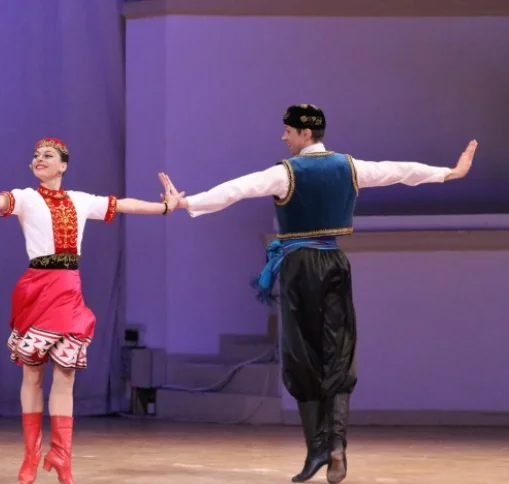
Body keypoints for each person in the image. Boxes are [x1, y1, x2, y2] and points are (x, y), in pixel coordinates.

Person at [160, 104, 476, 484]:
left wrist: (187, 202)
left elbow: (238, 189)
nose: (283, 137)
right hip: (335, 263)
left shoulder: (286, 172)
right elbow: (398, 171)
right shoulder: (350, 167)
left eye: (288, 131)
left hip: (301, 268)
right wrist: (448, 173)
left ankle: (317, 449)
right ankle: (336, 445)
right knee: (338, 350)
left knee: (301, 353)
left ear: (305, 133)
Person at [0, 137, 179, 484]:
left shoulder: (80, 200)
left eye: (48, 155)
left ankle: (62, 454)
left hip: (69, 291)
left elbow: (125, 205)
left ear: (63, 165)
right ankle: (31, 455)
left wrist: (165, 207)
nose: (39, 159)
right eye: (35, 155)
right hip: (38, 290)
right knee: (32, 375)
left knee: (66, 375)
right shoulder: (27, 198)